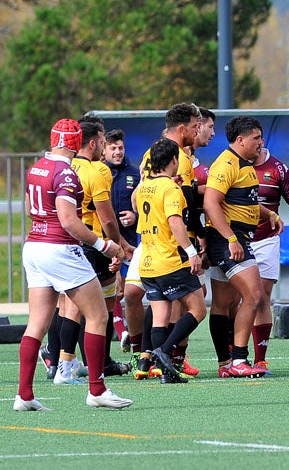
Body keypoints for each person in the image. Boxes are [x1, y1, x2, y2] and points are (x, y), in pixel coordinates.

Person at [15, 118, 131, 411]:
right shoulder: (66, 173)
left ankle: (24, 395)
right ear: (79, 142)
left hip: (35, 246)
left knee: (37, 323)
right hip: (60, 248)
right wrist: (104, 245)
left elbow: (30, 209)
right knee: (97, 316)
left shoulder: (37, 167)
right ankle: (97, 390)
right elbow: (68, 220)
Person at [203, 115, 281, 378]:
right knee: (255, 296)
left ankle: (225, 364)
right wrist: (231, 239)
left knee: (223, 303)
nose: (261, 143)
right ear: (241, 140)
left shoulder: (245, 165)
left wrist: (268, 213)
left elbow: (243, 201)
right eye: (256, 138)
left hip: (234, 238)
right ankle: (238, 360)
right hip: (229, 240)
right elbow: (211, 204)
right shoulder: (225, 164)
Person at [134, 138, 206, 384]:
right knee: (198, 309)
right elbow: (175, 222)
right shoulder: (171, 188)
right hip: (170, 260)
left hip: (148, 262)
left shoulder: (145, 185)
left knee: (160, 316)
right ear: (174, 160)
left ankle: (165, 371)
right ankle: (164, 352)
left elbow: (140, 204)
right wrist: (192, 251)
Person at [70, 116, 132, 379]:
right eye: (106, 140)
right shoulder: (98, 171)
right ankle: (97, 366)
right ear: (95, 142)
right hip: (95, 244)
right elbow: (107, 217)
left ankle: (60, 361)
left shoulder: (66, 166)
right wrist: (117, 246)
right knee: (99, 310)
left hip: (68, 242)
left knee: (64, 306)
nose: (110, 146)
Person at [250, 147, 289, 375]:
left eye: (258, 139)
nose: (255, 144)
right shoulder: (229, 165)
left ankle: (260, 360)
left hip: (266, 240)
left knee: (261, 298)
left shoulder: (277, 169)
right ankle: (234, 357)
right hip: (236, 240)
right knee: (236, 300)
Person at [104, 129, 141, 352]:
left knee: (126, 289)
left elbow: (142, 204)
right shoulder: (99, 172)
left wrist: (134, 216)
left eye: (121, 148)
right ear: (104, 149)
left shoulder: (134, 174)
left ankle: (128, 334)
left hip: (130, 241)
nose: (117, 152)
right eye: (113, 148)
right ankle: (122, 333)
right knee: (113, 289)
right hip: (106, 240)